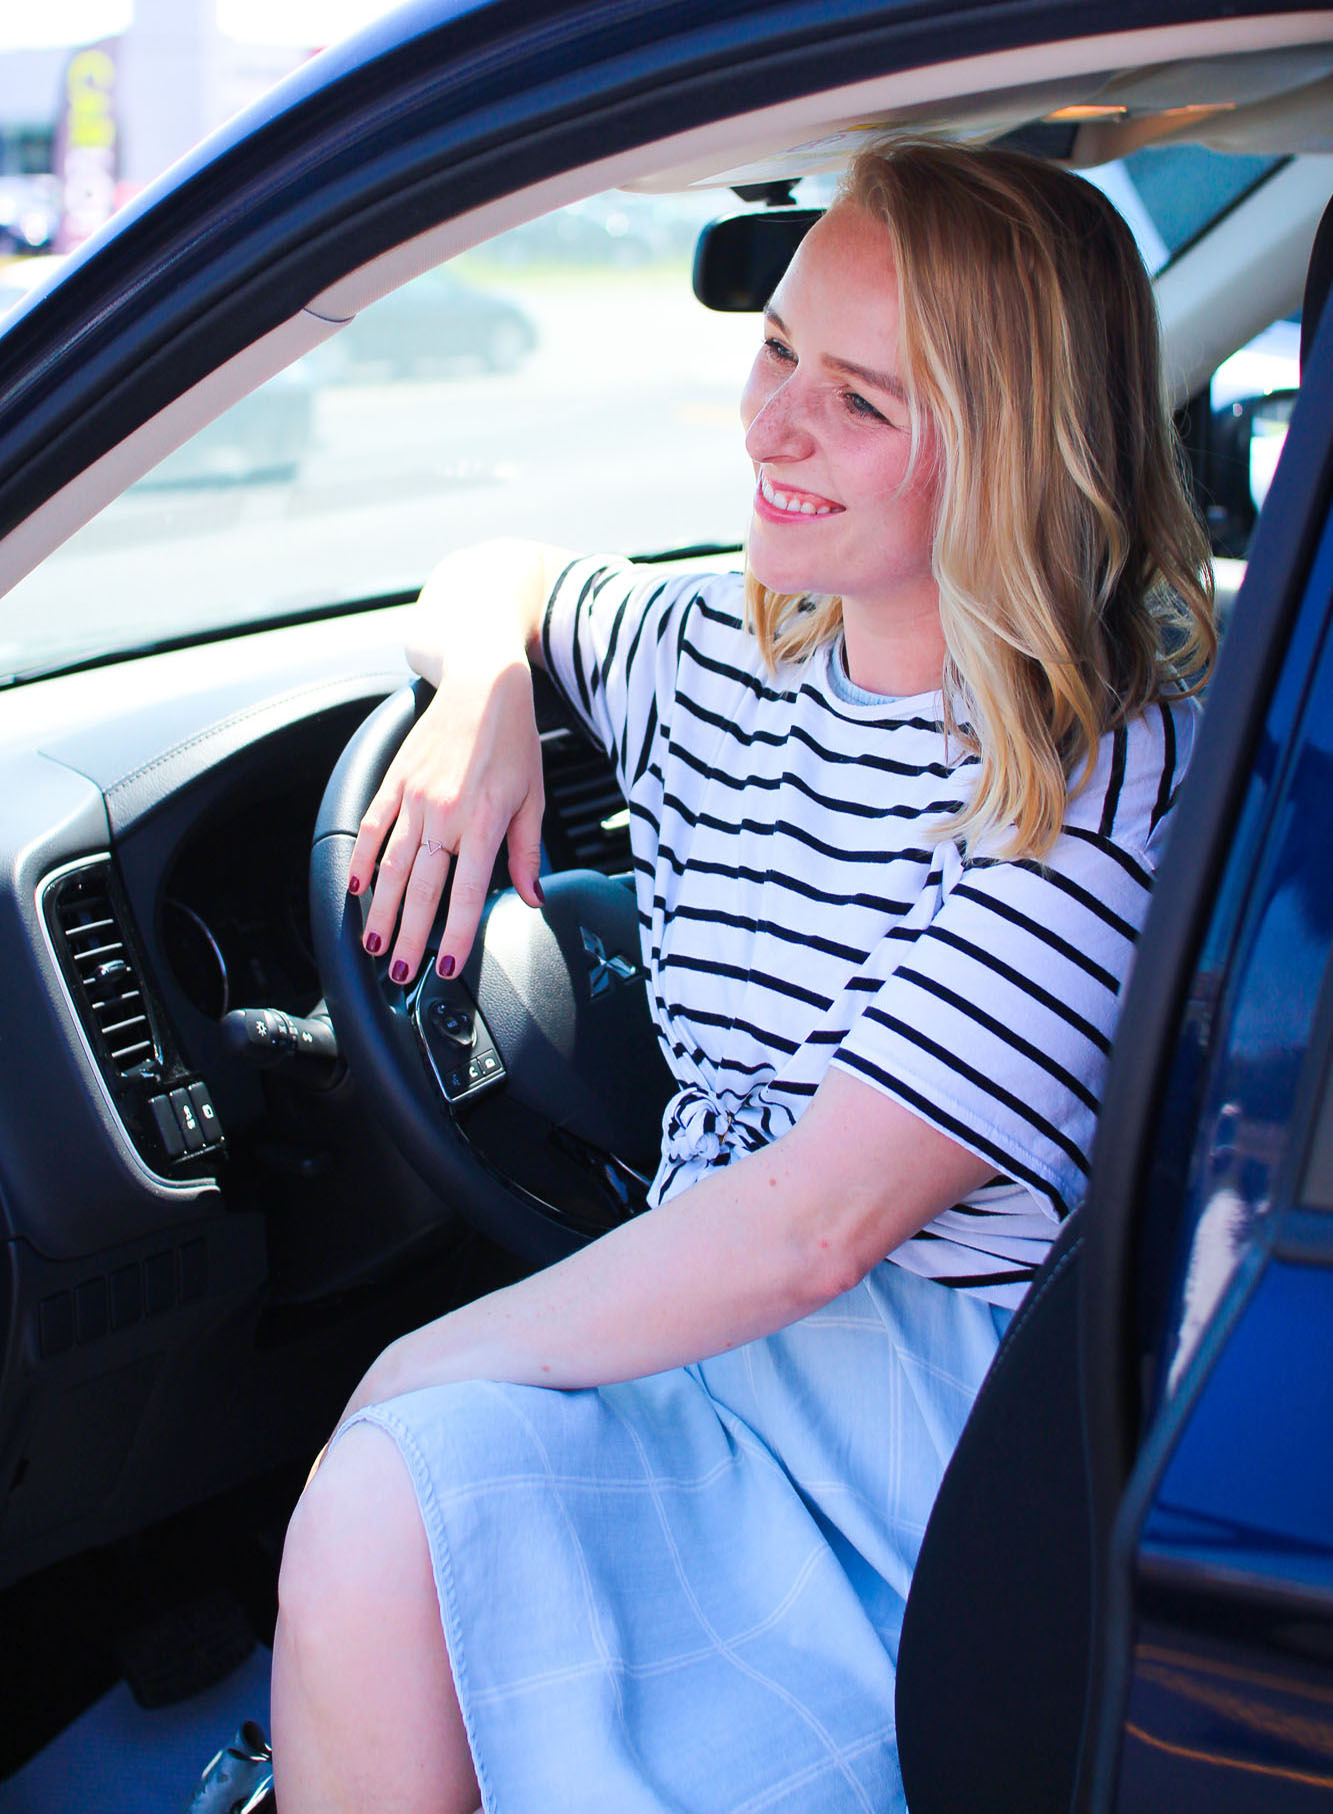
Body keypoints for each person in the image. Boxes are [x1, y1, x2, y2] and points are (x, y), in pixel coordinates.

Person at [268, 137, 1215, 1812]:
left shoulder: (1093, 771)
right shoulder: (718, 646)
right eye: (774, 349)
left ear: (1001, 453)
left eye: (856, 401)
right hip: (691, 1346)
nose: (769, 427)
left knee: (387, 1445)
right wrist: (485, 682)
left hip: (908, 1453)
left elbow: (814, 1226)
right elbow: (488, 577)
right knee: (366, 1513)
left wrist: (425, 1355)